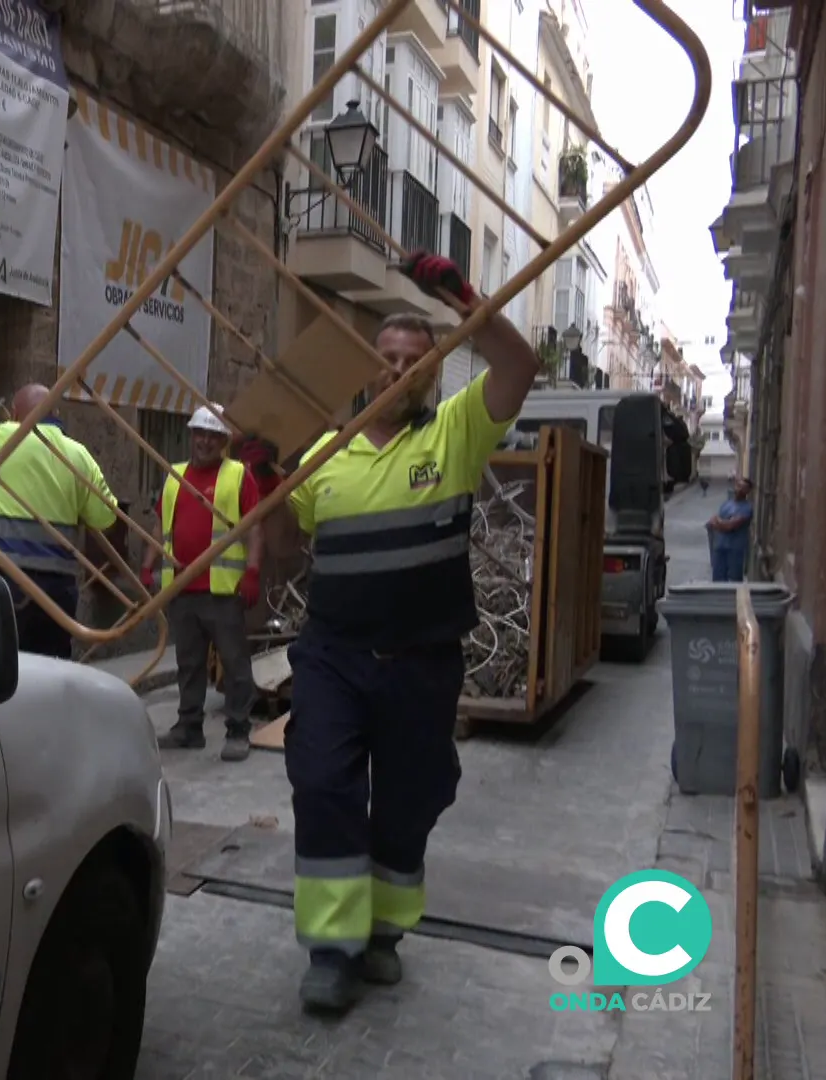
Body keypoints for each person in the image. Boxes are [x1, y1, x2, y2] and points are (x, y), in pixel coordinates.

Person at [282, 250, 540, 1012]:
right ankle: (332, 949)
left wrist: (462, 296)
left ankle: (385, 930)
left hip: (421, 662)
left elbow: (517, 366)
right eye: (384, 358)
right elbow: (296, 549)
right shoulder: (323, 458)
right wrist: (266, 483)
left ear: (430, 376)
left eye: (410, 361)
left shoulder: (453, 436)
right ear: (365, 370)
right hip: (332, 655)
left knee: (409, 800)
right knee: (322, 783)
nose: (395, 369)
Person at [0, 383, 119, 659]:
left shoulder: (3, 437)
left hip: (9, 581)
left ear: (15, 414)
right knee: (51, 666)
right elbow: (106, 516)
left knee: (8, 666)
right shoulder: (79, 455)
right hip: (59, 590)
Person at [141, 405, 263, 761]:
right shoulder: (174, 475)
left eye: (213, 436)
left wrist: (253, 571)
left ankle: (239, 729)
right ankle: (189, 726)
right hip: (182, 589)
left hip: (222, 589)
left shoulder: (239, 475)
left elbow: (254, 526)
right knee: (189, 663)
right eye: (199, 434)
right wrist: (147, 566)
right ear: (191, 435)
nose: (205, 441)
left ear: (223, 441)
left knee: (234, 662)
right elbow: (158, 526)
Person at [708, 477, 754, 582]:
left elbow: (730, 526)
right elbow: (712, 520)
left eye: (743, 488)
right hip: (720, 548)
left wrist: (720, 523)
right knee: (717, 581)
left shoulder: (747, 508)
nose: (739, 489)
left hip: (735, 550)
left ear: (747, 491)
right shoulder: (726, 504)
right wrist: (724, 523)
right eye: (738, 486)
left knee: (734, 582)